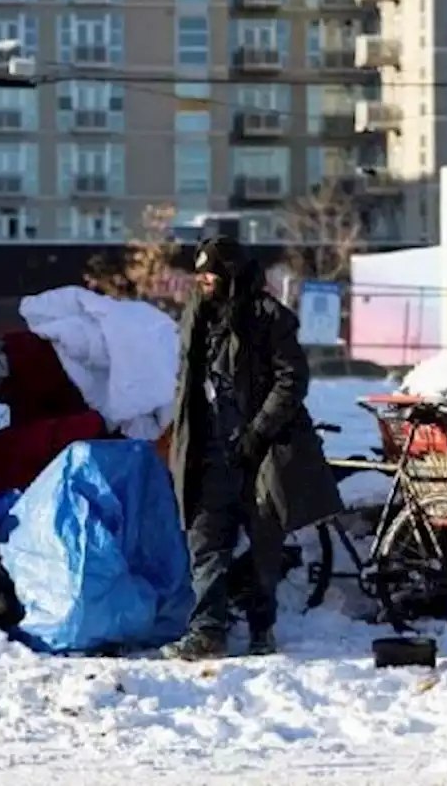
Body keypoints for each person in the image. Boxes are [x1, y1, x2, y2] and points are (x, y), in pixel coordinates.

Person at [162, 236, 344, 660]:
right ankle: (208, 631)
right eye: (200, 272)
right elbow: (186, 379)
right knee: (205, 541)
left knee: (264, 544)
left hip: (259, 452)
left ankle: (262, 626)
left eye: (211, 272)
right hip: (208, 451)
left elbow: (290, 381)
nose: (203, 280)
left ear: (231, 273)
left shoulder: (268, 318)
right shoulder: (196, 315)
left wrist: (258, 432)